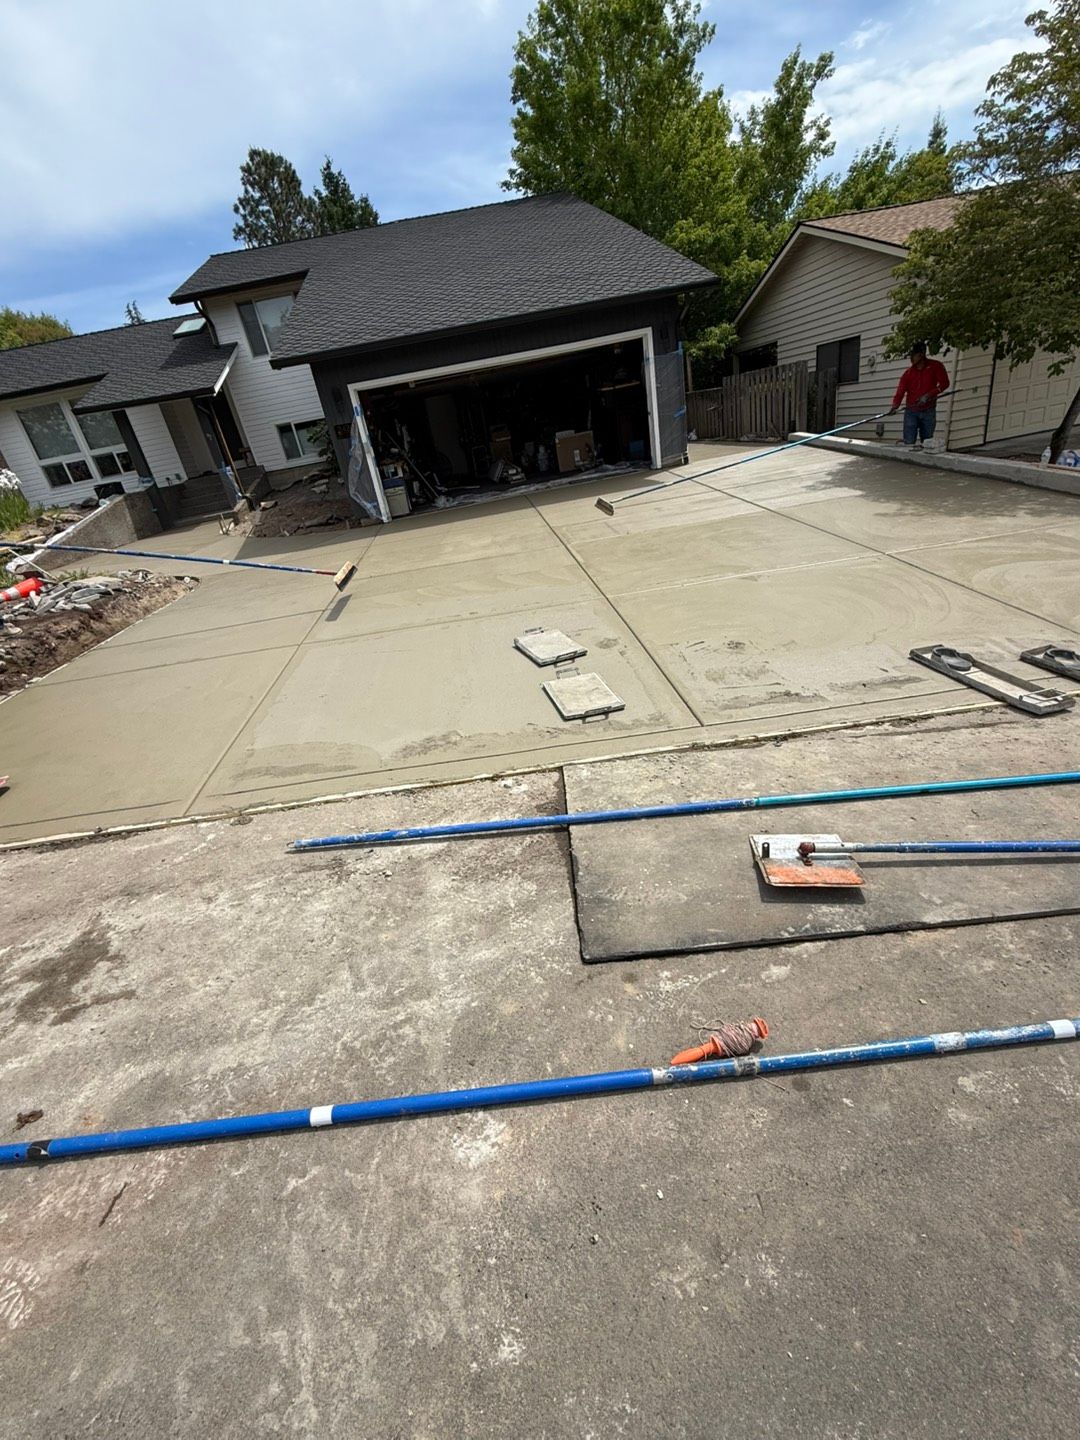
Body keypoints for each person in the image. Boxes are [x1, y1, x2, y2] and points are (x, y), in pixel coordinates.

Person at [890, 342, 950, 447]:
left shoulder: (935, 366)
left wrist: (928, 395)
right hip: (911, 411)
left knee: (927, 443)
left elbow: (945, 384)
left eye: (914, 355)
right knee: (909, 442)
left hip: (928, 410)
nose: (911, 358)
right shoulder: (908, 373)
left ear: (921, 354)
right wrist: (895, 406)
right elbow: (900, 391)